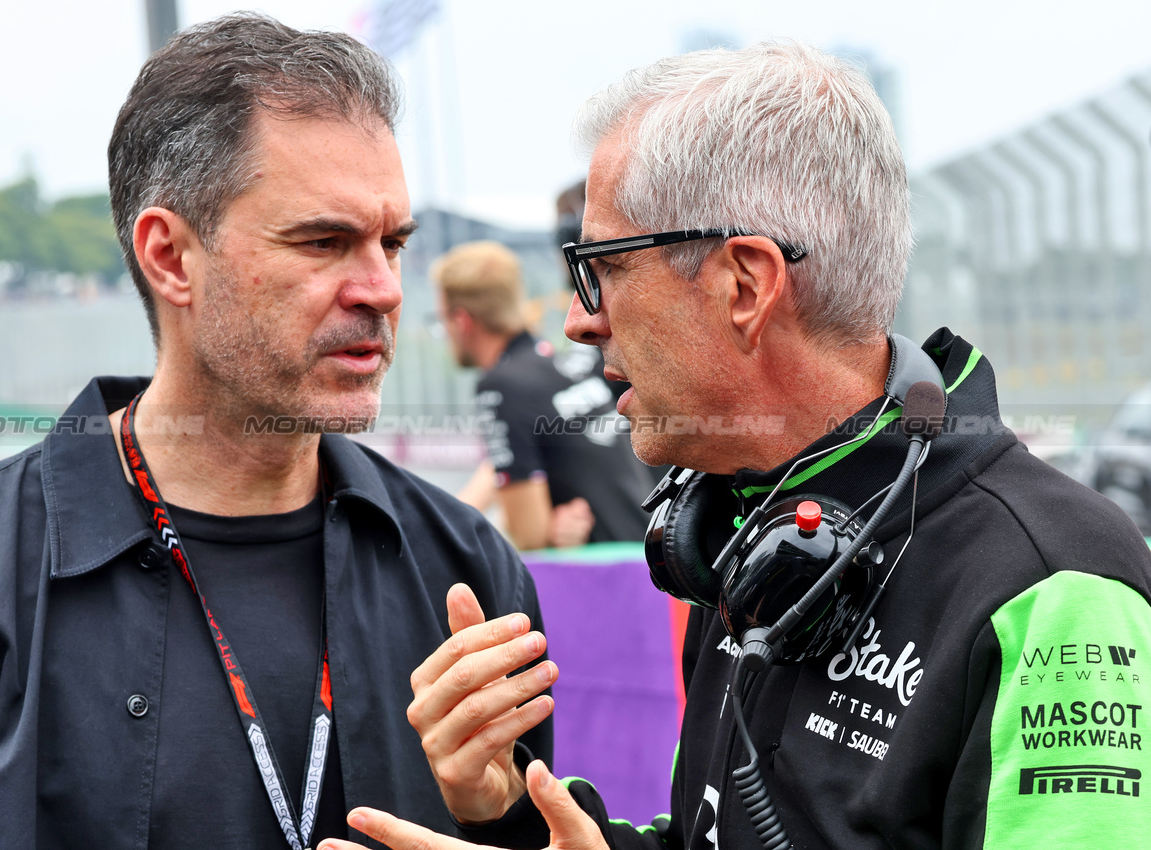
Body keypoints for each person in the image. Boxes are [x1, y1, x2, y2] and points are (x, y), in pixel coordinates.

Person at [317, 41, 1151, 850]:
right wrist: (515, 814)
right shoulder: (751, 529)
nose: (578, 318)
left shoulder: (1053, 584)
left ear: (743, 284)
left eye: (598, 267)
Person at [0, 14, 552, 849]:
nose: (381, 289)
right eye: (324, 241)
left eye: (392, 242)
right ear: (169, 258)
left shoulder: (465, 567)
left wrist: (499, 817)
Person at [433, 240, 653, 549]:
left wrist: (543, 530)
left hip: (613, 572)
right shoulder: (549, 363)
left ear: (462, 322)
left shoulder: (500, 386)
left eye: (441, 321)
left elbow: (529, 536)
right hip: (648, 554)